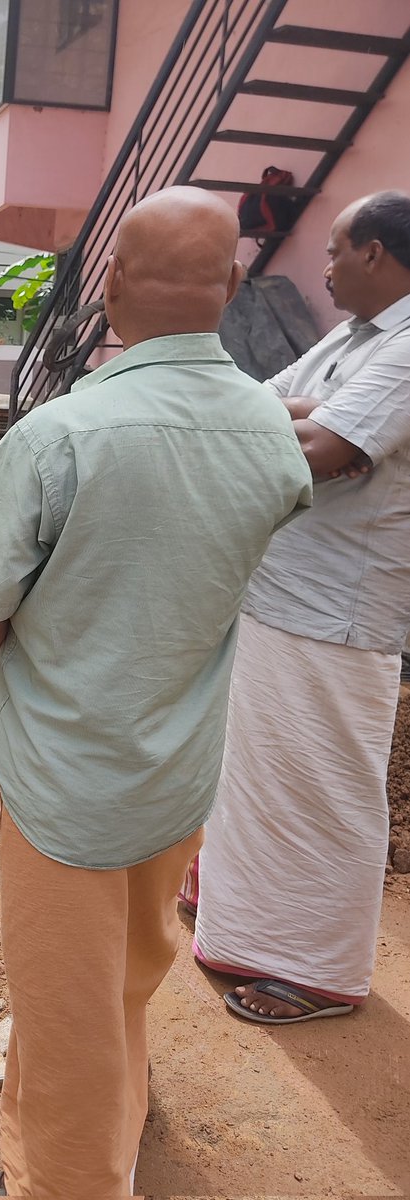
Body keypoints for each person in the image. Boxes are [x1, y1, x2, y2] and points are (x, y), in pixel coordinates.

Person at [0, 187, 312, 1198]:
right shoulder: (271, 433)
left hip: (68, 784)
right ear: (233, 288)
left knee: (65, 1015)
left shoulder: (58, 437)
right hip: (179, 773)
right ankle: (44, 1155)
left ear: (109, 288)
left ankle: (66, 1181)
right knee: (120, 989)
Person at [191, 190, 410, 1025]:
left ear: (377, 255)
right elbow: (247, 401)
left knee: (322, 788)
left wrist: (320, 426)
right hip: (281, 591)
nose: (320, 267)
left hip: (338, 606)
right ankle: (245, 930)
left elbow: (320, 453)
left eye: (333, 251)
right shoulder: (352, 337)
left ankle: (317, 969)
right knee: (256, 773)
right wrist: (316, 417)